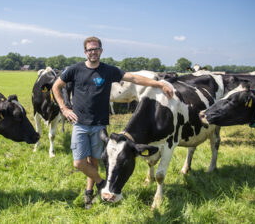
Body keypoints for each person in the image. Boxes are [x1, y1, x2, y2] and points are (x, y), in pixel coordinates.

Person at [52, 36, 173, 208]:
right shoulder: (75, 69)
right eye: (89, 49)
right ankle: (101, 184)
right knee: (79, 163)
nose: (93, 52)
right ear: (85, 52)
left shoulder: (108, 70)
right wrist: (64, 108)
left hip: (99, 125)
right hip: (79, 123)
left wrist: (159, 84)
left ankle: (89, 193)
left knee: (94, 162)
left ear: (101, 50)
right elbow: (56, 86)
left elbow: (134, 79)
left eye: (96, 49)